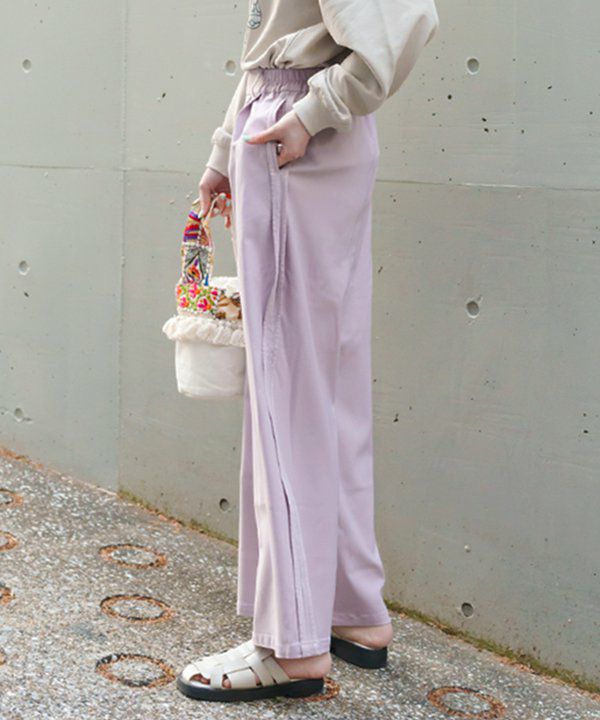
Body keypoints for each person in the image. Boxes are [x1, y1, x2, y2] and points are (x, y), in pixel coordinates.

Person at [177, 0, 440, 703]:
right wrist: (224, 148)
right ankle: (353, 609)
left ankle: (290, 646)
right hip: (289, 123)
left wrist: (310, 113)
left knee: (288, 389)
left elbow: (403, 23)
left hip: (295, 135)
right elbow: (270, 41)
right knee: (328, 385)